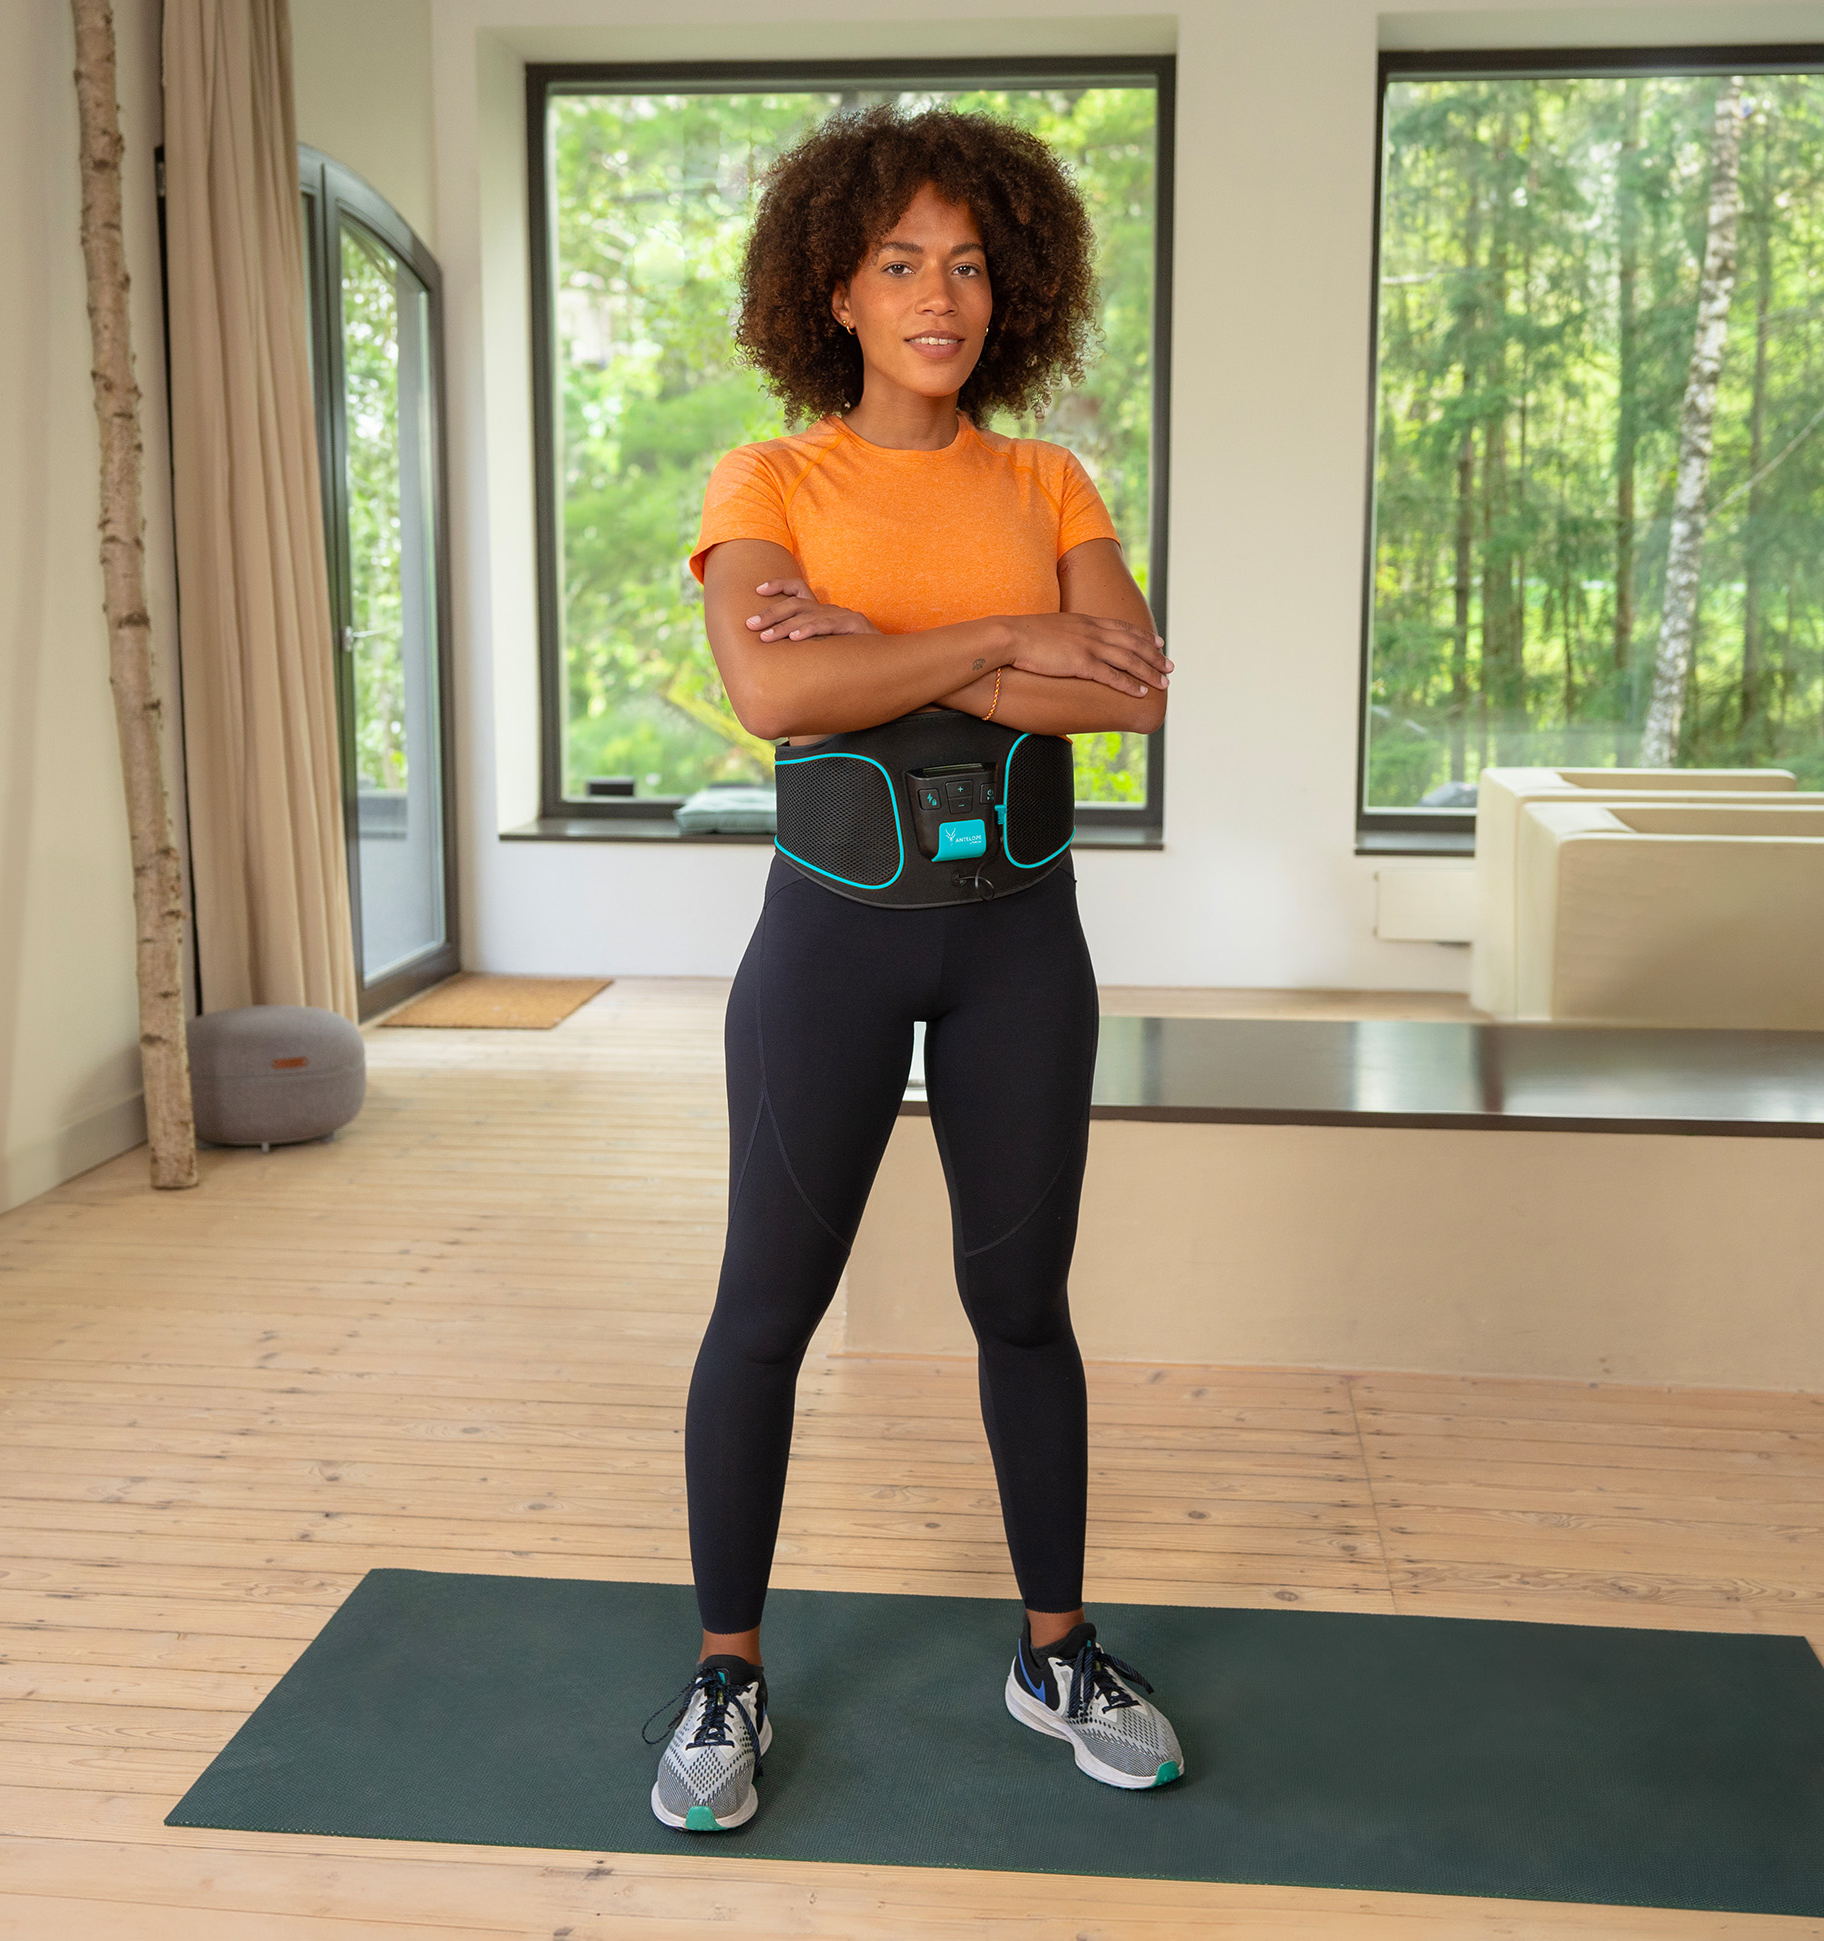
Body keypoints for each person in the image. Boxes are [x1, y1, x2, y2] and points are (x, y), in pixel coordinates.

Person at [644, 105, 1182, 1835]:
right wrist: (1016, 635)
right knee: (765, 1310)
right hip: (831, 948)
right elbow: (774, 693)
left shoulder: (1048, 484)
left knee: (1023, 1308)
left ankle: (1055, 1653)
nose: (937, 296)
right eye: (899, 264)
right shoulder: (768, 484)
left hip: (1025, 943)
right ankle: (726, 1671)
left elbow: (1127, 692)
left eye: (966, 264)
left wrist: (885, 645)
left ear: (1009, 290)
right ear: (839, 291)